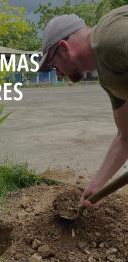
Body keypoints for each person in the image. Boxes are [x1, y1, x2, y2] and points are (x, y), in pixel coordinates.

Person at [38, 6, 128, 207]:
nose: (58, 73)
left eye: (53, 65)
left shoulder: (109, 38)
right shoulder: (108, 79)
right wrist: (97, 184)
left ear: (63, 48)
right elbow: (125, 137)